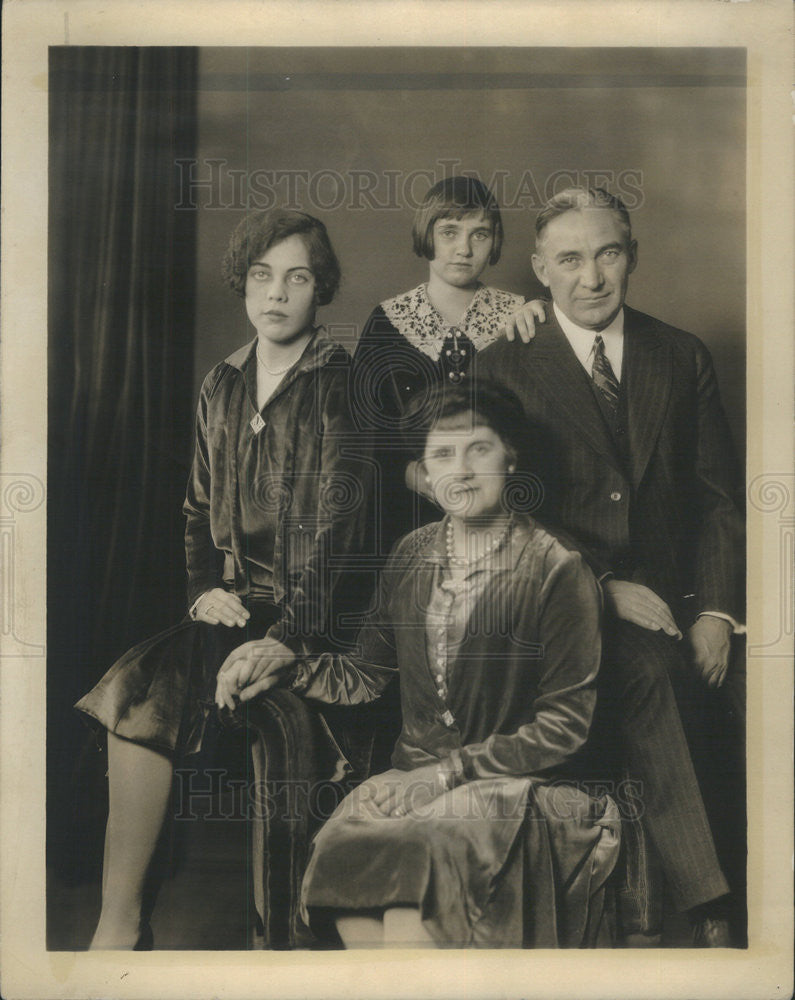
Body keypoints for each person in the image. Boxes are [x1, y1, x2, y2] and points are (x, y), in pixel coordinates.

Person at [216, 382, 621, 949]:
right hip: (411, 783)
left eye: (479, 448)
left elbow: (565, 728)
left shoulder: (557, 568)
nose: (463, 469)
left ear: (511, 457)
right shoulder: (411, 553)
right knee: (347, 879)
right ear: (425, 477)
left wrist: (443, 776)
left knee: (413, 900)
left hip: (518, 790)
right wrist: (287, 667)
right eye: (443, 454)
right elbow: (366, 673)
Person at [75, 209, 373, 949]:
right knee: (137, 690)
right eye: (262, 276)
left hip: (318, 610)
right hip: (237, 604)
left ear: (320, 289)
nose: (276, 294)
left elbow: (338, 531)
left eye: (296, 277)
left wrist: (293, 635)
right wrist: (202, 588)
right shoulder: (222, 382)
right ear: (243, 285)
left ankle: (279, 933)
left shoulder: (341, 383)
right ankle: (121, 917)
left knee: (158, 689)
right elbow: (197, 505)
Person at [477, 187, 745, 946]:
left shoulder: (678, 352)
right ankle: (710, 910)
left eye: (608, 253)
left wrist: (716, 613)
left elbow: (721, 499)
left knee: (757, 681)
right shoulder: (505, 364)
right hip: (568, 606)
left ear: (631, 256)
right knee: (652, 675)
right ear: (538, 269)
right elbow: (506, 516)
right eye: (569, 259)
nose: (590, 277)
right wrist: (599, 584)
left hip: (686, 598)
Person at [351, 175, 544, 552]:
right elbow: (361, 429)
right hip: (405, 513)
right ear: (427, 234)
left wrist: (546, 318)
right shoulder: (387, 320)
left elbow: (539, 428)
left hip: (501, 510)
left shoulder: (518, 315)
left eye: (480, 234)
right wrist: (415, 476)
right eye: (450, 232)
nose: (464, 249)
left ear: (494, 242)